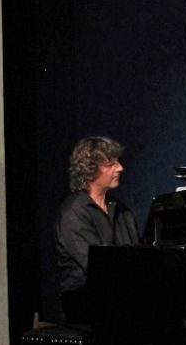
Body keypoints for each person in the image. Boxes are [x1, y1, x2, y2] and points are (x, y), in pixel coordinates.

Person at [55, 136, 139, 322]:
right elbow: (96, 266)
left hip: (119, 296)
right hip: (85, 302)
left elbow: (137, 255)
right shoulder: (74, 211)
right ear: (91, 169)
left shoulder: (121, 210)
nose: (120, 168)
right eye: (111, 163)